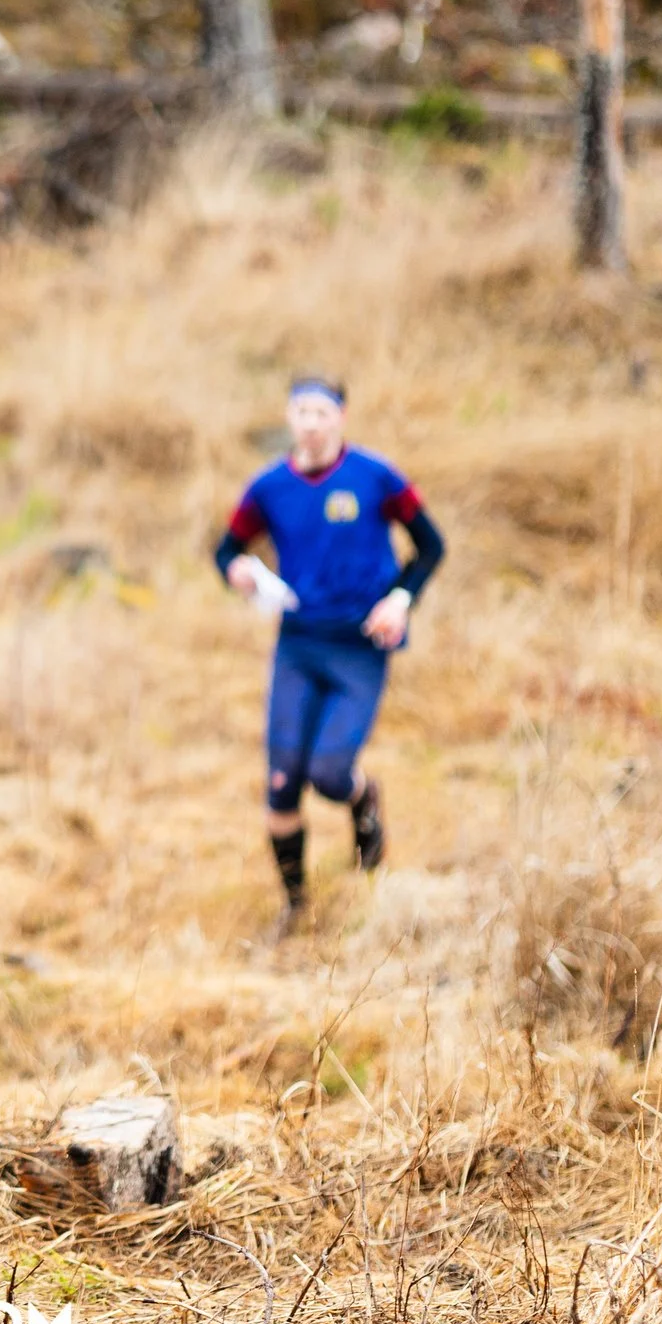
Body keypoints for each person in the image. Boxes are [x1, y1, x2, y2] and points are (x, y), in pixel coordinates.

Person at [214, 375, 444, 935]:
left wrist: (401, 599)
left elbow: (430, 546)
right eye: (301, 411)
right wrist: (237, 571)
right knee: (281, 783)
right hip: (298, 643)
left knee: (329, 771)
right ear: (289, 418)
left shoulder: (376, 476)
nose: (311, 422)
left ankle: (365, 802)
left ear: (341, 417)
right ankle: (296, 908)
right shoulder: (269, 487)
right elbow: (227, 549)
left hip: (361, 643)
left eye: (322, 411)